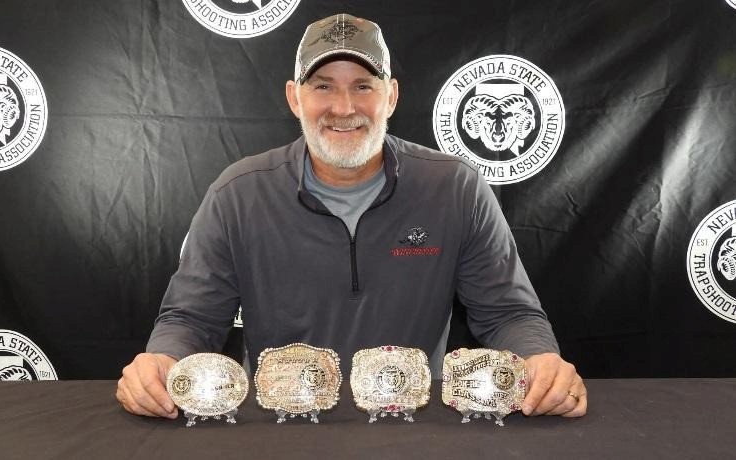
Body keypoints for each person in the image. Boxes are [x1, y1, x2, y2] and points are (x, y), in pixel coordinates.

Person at [117, 13, 587, 420]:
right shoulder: (237, 195)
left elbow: (507, 312)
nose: (344, 108)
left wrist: (539, 360)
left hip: (415, 425)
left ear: (392, 97)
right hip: (283, 425)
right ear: (295, 98)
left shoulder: (455, 189)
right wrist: (162, 361)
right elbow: (192, 318)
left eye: (363, 86)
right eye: (323, 86)